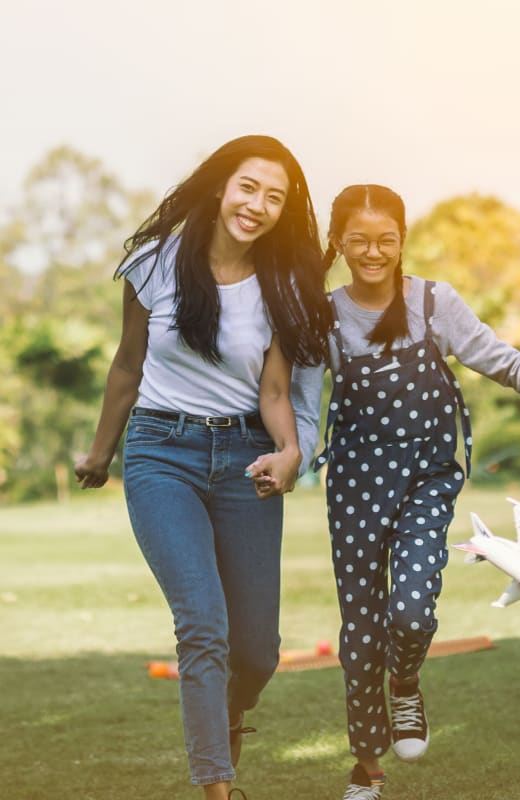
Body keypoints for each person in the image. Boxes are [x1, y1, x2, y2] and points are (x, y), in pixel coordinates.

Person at [292, 184, 520, 800]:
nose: (373, 252)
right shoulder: (323, 314)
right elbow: (304, 405)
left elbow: (501, 360)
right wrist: (290, 456)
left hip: (427, 479)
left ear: (402, 241)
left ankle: (407, 683)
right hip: (354, 485)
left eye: (386, 240)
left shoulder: (431, 302)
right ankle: (366, 770)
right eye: (359, 240)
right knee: (362, 630)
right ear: (338, 242)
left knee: (411, 612)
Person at [74, 135, 334, 800]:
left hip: (246, 461)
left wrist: (291, 452)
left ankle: (229, 719)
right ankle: (217, 788)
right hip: (163, 455)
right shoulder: (156, 264)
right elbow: (128, 365)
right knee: (202, 623)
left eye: (275, 197)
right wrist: (101, 454)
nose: (259, 204)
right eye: (249, 187)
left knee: (257, 653)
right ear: (222, 187)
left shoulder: (279, 286)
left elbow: (275, 394)